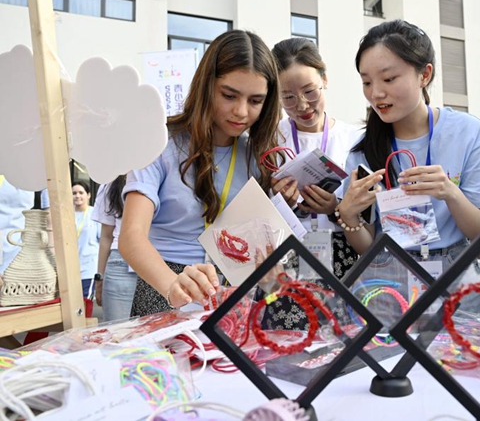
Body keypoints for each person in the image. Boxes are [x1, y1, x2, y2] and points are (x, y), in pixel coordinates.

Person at [337, 20, 480, 305]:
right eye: (366, 82)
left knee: (458, 351)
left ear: (424, 74)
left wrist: (450, 192)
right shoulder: (362, 151)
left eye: (389, 79)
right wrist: (349, 216)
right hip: (388, 285)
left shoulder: (468, 133)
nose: (376, 93)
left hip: (457, 281)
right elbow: (366, 247)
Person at [119, 29, 282, 317]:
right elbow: (131, 237)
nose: (241, 111)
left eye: (255, 101)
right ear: (207, 85)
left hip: (231, 291)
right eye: (229, 95)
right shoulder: (160, 142)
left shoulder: (257, 157)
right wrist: (172, 285)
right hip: (165, 286)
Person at [271, 38, 363, 279]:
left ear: (325, 79)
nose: (302, 105)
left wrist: (336, 208)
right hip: (283, 254)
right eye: (288, 97)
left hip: (340, 252)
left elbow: (368, 214)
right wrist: (280, 201)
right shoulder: (269, 140)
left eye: (310, 91)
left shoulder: (354, 139)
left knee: (339, 317)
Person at [91, 175, 137, 321]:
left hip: (163, 260)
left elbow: (106, 237)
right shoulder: (112, 181)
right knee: (119, 335)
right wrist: (99, 278)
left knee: (156, 337)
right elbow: (106, 237)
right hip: (122, 262)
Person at [72, 180, 101, 299]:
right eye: (74, 193)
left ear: (88, 195)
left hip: (89, 266)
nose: (77, 196)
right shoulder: (67, 213)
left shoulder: (95, 213)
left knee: (85, 300)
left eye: (81, 192)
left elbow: (102, 238)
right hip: (71, 267)